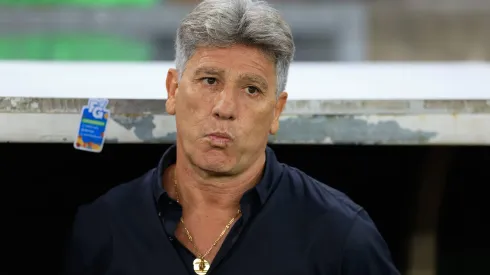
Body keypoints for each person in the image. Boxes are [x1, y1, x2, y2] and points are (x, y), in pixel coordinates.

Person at [65, 0, 400, 274]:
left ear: (276, 111)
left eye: (251, 89)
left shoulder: (341, 236)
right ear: (173, 90)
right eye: (210, 80)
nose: (225, 108)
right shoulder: (104, 226)